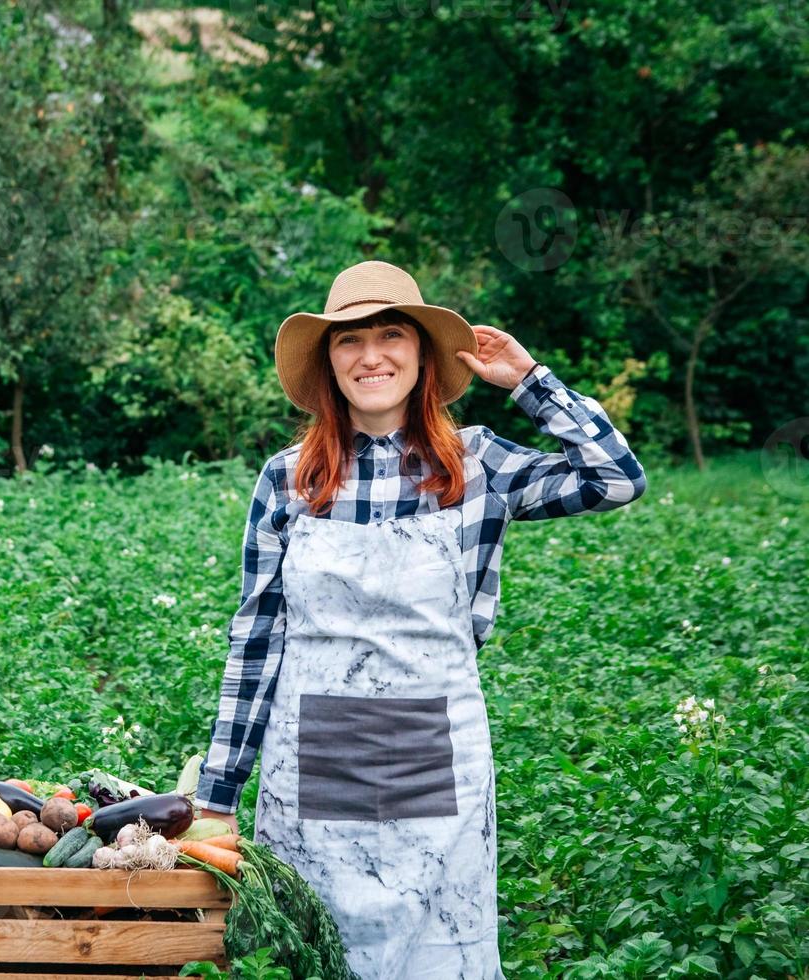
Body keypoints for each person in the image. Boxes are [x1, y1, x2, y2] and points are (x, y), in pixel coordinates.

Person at [194, 260, 646, 979]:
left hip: (437, 760)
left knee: (439, 960)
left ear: (422, 354)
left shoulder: (480, 466)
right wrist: (215, 795)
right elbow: (256, 639)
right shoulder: (287, 478)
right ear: (328, 363)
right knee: (319, 954)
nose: (371, 355)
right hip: (311, 761)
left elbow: (616, 478)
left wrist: (530, 382)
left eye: (391, 334)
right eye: (349, 340)